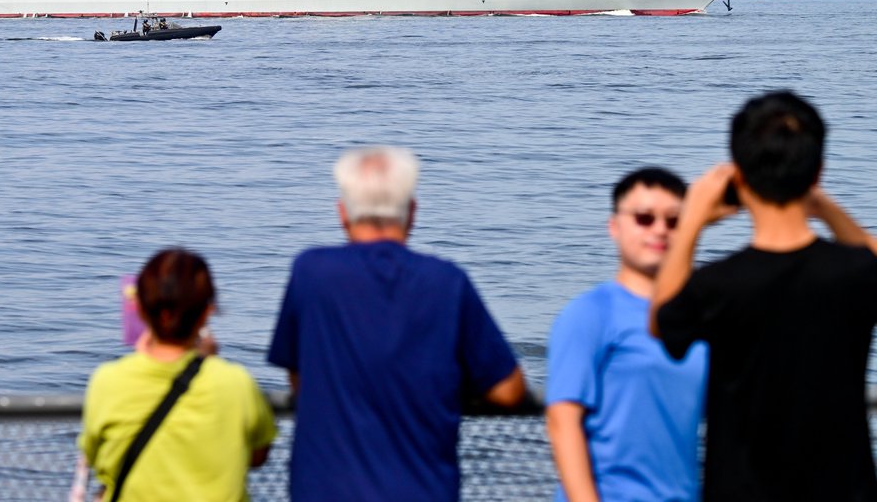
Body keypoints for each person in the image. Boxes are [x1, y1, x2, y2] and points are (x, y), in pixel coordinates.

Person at [650, 91, 877, 501]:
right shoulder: (855, 273)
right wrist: (821, 205)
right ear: (817, 173)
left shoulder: (718, 285)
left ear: (739, 177)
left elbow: (661, 321)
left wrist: (693, 219)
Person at [268, 146, 526, 501]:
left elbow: (298, 376)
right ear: (412, 213)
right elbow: (508, 390)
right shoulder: (446, 282)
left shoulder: (311, 273)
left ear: (343, 213)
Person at [546, 168, 707, 502]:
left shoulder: (701, 321)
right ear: (615, 227)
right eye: (645, 218)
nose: (660, 230)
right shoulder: (590, 313)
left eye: (674, 221)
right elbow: (563, 422)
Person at [81, 248, 276, 501]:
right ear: (207, 313)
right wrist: (206, 364)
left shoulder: (108, 381)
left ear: (138, 309)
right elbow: (257, 455)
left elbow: (98, 457)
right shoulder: (236, 383)